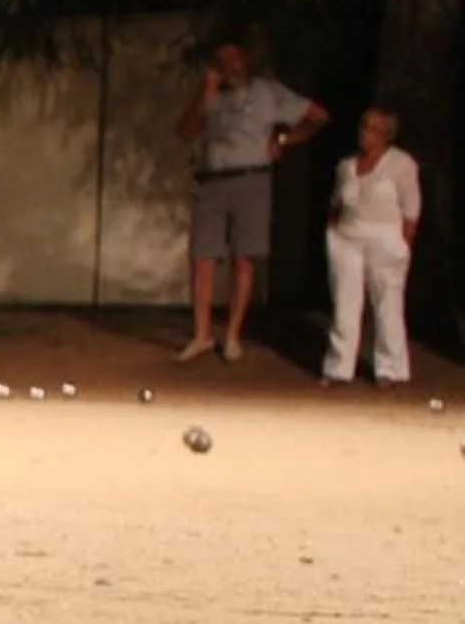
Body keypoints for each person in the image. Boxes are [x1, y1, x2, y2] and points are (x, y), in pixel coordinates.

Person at [176, 41, 328, 362]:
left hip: (252, 178)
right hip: (213, 180)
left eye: (234, 57)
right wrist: (205, 94)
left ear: (244, 61)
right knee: (203, 257)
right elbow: (185, 131)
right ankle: (201, 334)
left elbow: (318, 116)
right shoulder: (211, 97)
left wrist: (284, 139)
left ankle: (232, 335)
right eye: (221, 60)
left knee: (244, 258)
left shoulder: (268, 92)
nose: (228, 65)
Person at [322, 107, 423, 387]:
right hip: (347, 239)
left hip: (385, 239)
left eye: (373, 129)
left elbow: (411, 210)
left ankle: (389, 369)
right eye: (363, 127)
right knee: (345, 304)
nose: (365, 134)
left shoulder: (402, 164)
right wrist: (332, 234)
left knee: (387, 305)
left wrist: (402, 245)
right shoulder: (346, 166)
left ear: (386, 135)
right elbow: (335, 204)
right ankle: (338, 368)